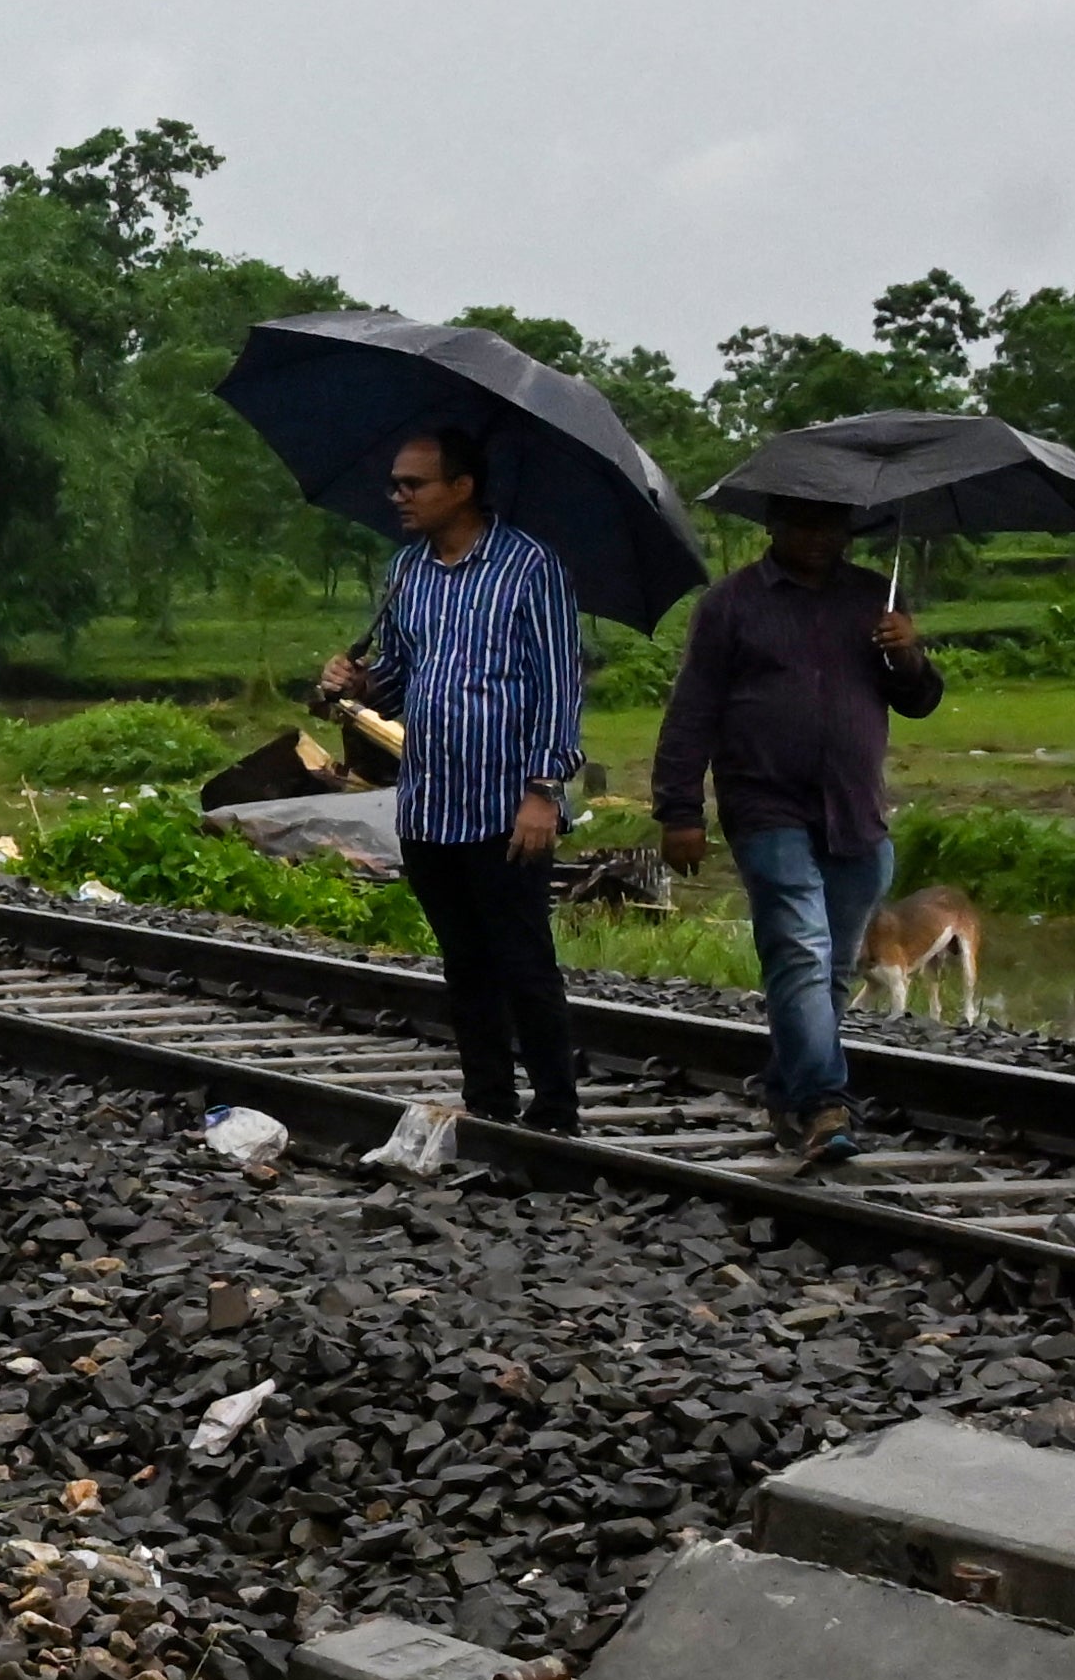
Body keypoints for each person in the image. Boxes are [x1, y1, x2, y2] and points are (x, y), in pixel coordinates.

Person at [652, 489, 941, 1167]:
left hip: (855, 813)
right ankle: (824, 1103)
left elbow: (921, 701)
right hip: (765, 807)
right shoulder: (731, 604)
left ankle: (785, 1093)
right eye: (801, 523)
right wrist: (679, 809)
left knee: (833, 968)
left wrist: (909, 653)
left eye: (831, 523)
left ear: (849, 527)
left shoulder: (873, 598)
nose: (816, 536)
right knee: (801, 953)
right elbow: (692, 709)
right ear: (773, 525)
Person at [324, 420, 588, 1138]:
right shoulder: (407, 571)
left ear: (462, 488)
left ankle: (557, 1108)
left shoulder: (530, 568)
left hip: (506, 805)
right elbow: (399, 685)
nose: (398, 496)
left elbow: (560, 688)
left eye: (414, 484)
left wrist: (545, 791)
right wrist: (356, 683)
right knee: (464, 963)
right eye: (396, 484)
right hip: (430, 804)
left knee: (523, 960)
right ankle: (490, 1101)